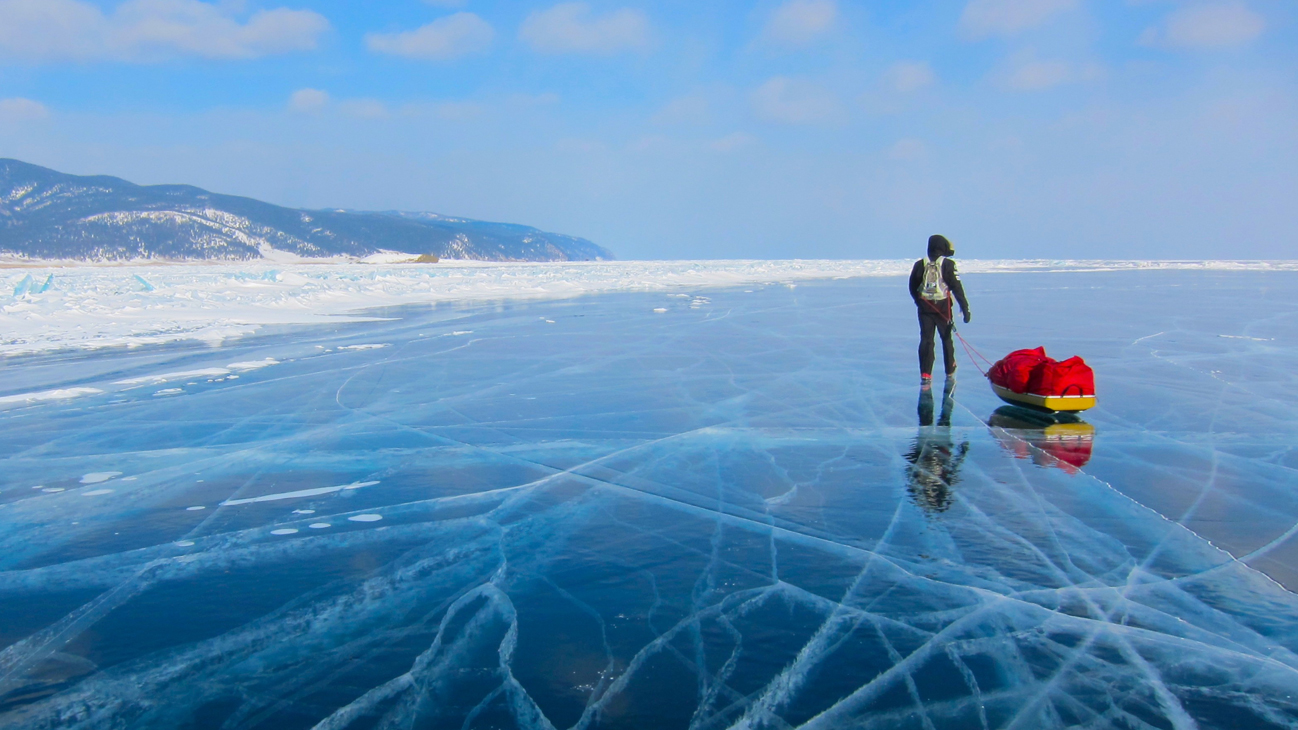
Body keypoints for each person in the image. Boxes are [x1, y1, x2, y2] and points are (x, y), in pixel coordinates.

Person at [908, 234, 970, 386]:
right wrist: (965, 308)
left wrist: (919, 302)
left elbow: (912, 286)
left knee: (926, 340)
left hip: (925, 309)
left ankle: (925, 372)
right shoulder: (948, 264)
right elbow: (956, 287)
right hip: (943, 308)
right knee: (946, 338)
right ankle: (950, 368)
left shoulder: (919, 264)